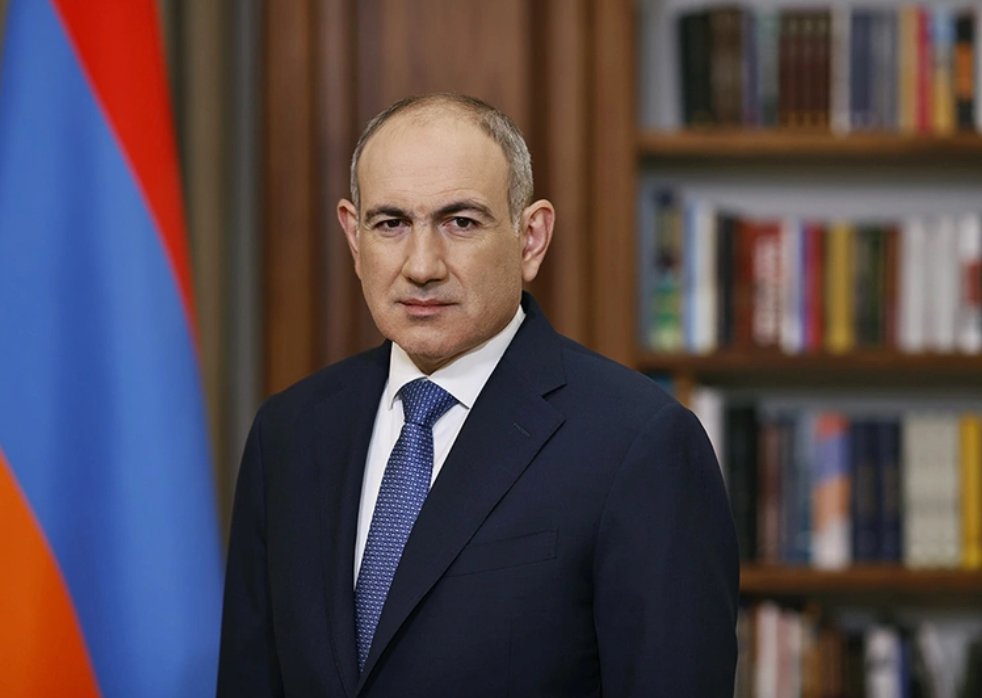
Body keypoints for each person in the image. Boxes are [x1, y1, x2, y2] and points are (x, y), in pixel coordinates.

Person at [217, 93, 739, 698]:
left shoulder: (641, 444)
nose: (422, 266)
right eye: (391, 224)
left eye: (460, 222)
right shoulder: (288, 433)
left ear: (531, 238)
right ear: (355, 239)